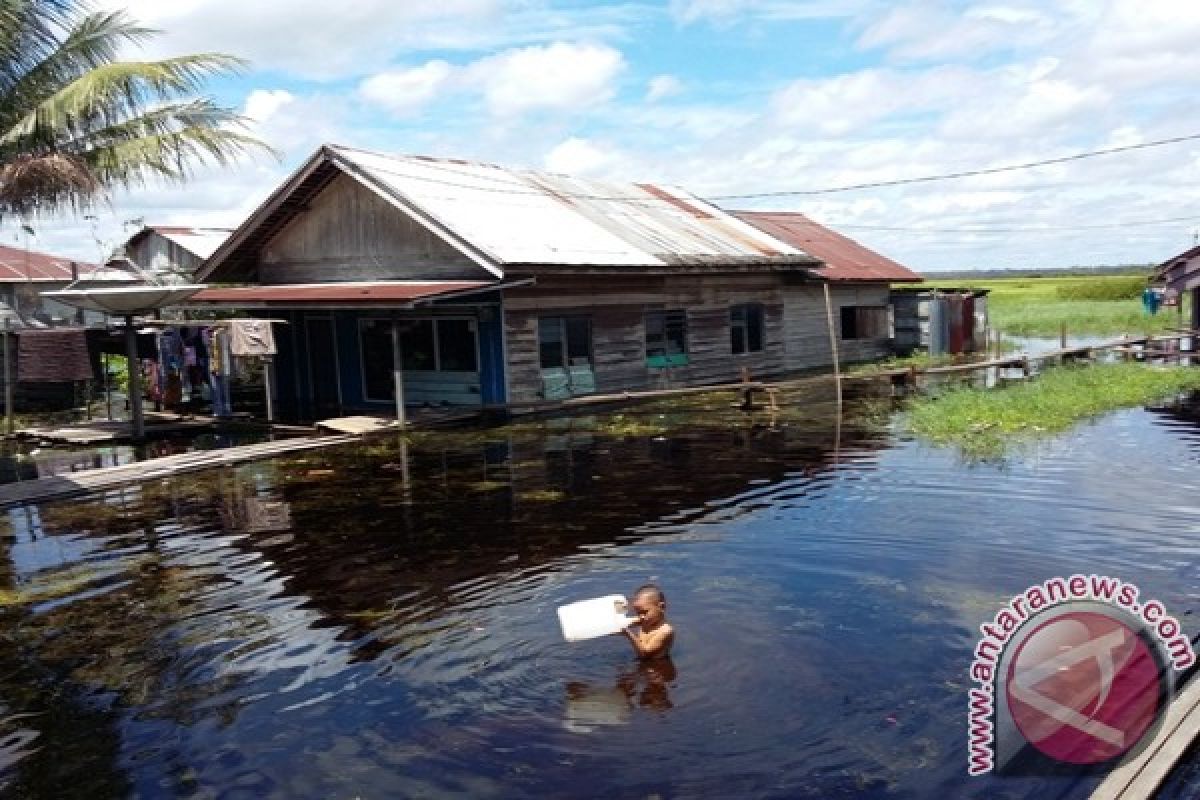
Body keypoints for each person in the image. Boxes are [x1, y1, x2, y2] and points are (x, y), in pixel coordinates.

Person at [619, 583, 674, 660]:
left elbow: (645, 654)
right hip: (642, 659)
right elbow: (624, 623)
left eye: (645, 612)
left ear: (661, 607)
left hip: (656, 666)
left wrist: (628, 634)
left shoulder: (665, 631)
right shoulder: (645, 619)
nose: (641, 616)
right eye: (638, 613)